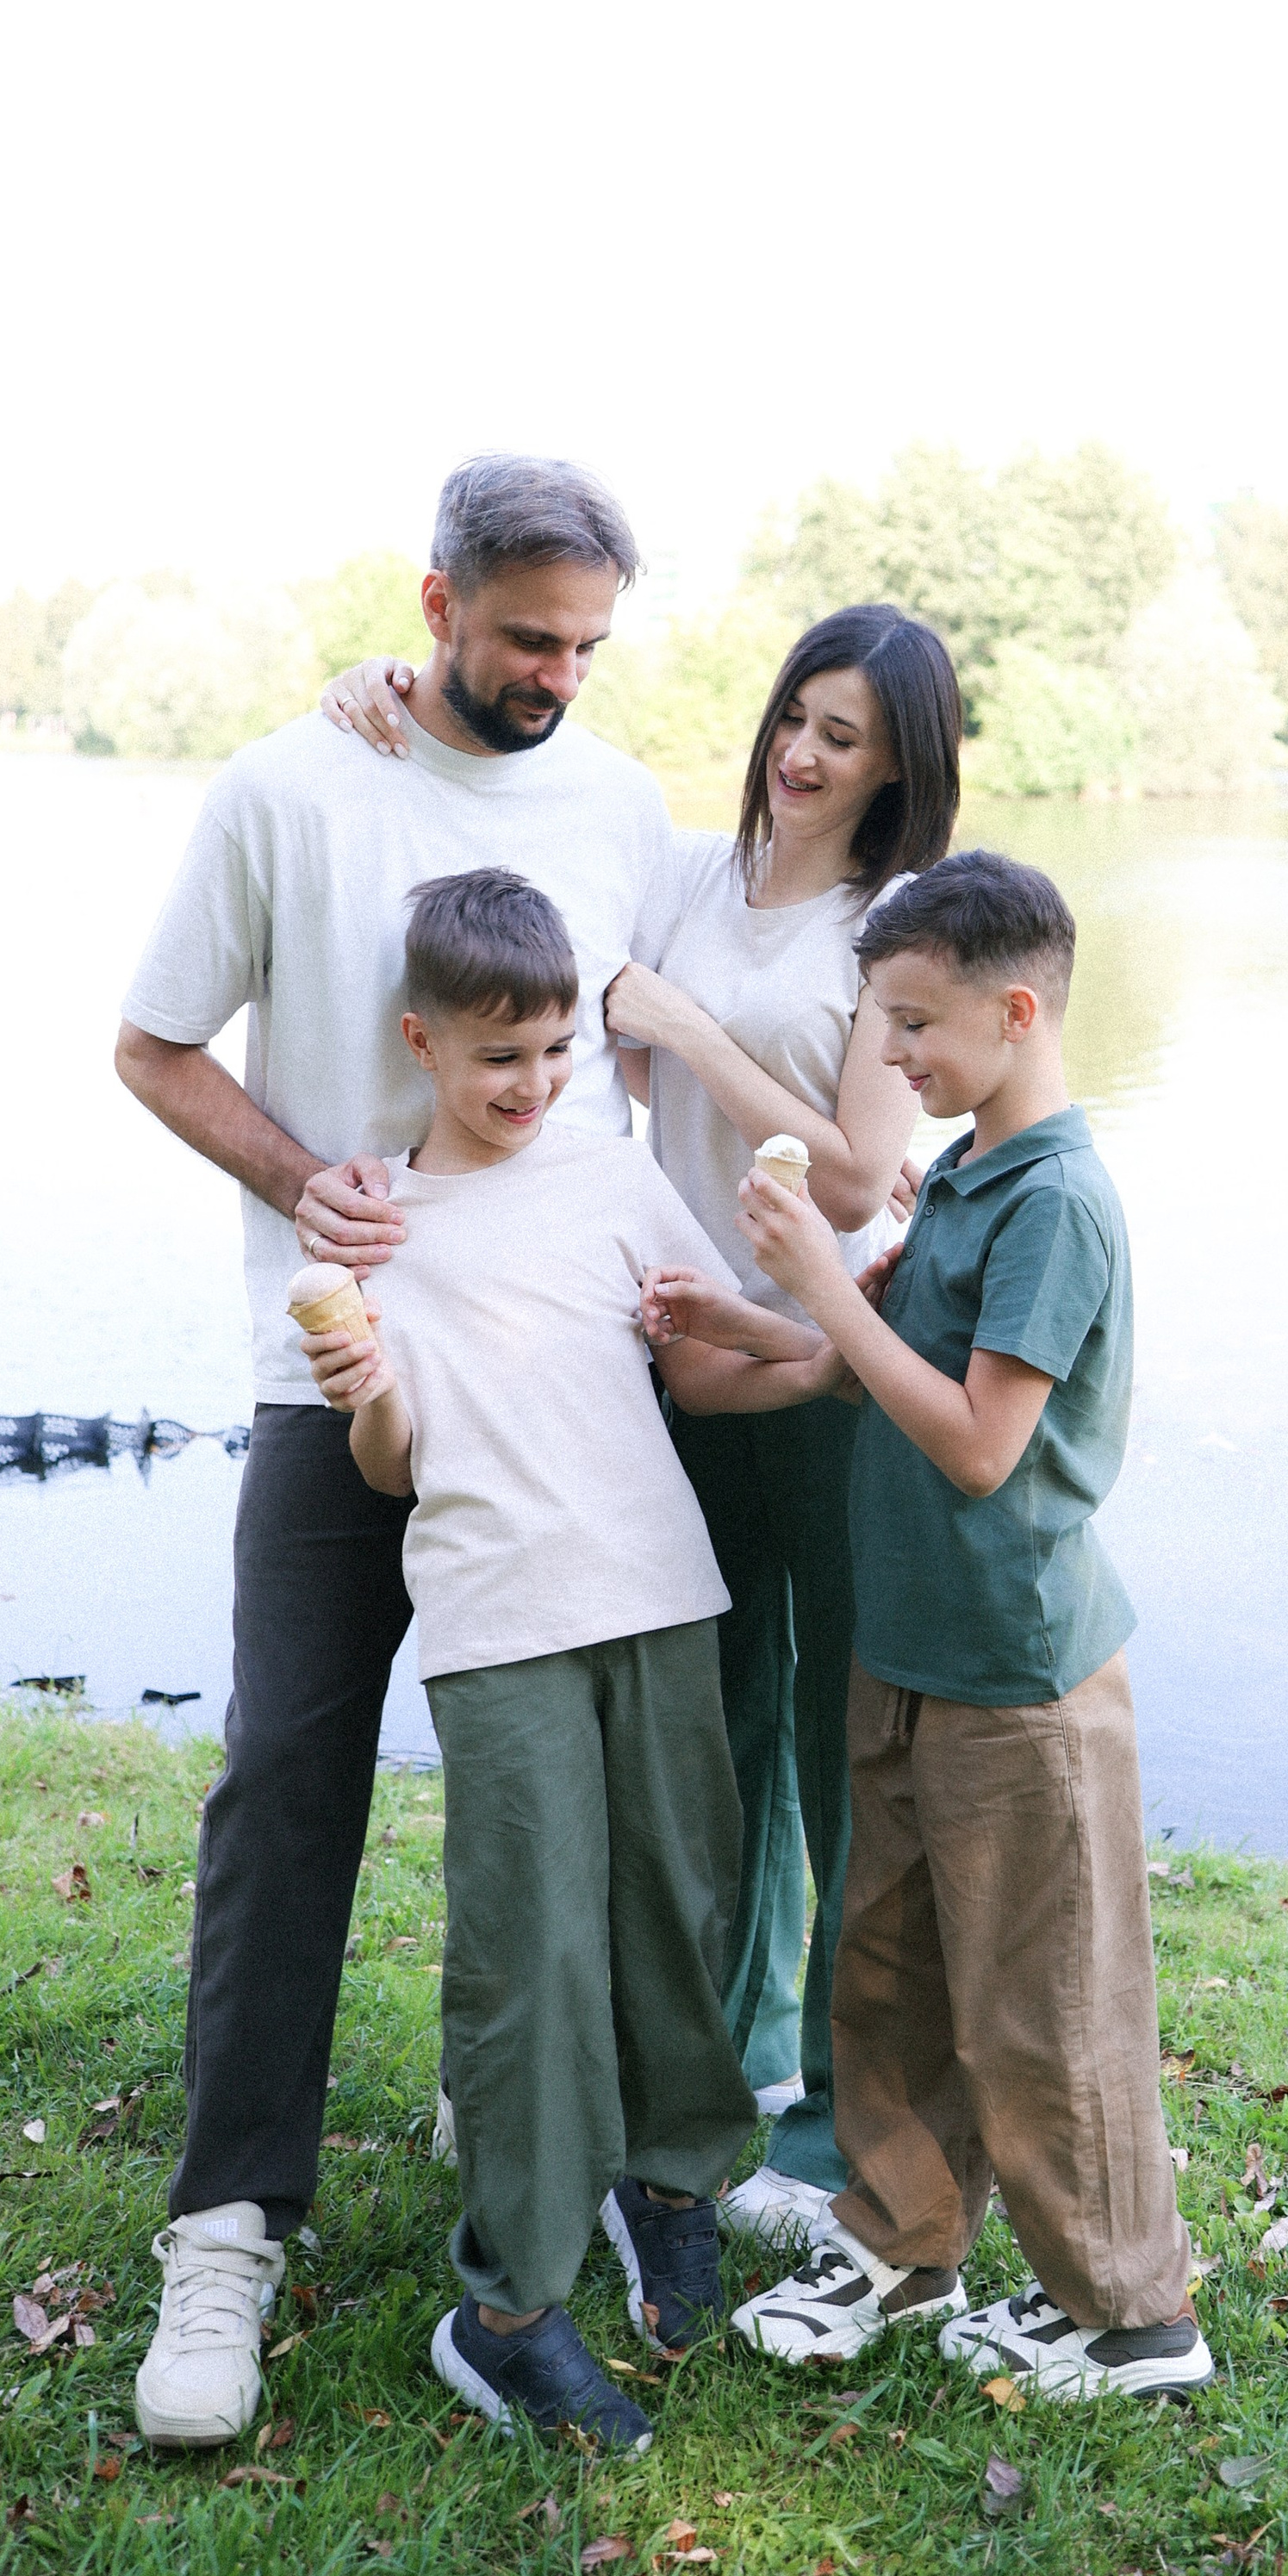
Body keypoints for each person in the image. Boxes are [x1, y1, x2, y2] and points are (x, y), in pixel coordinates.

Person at [116, 453, 675, 2450]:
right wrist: (306, 1182)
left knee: (561, 1791)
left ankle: (529, 2131)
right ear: (432, 604)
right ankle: (226, 2229)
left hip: (561, 1397)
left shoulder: (620, 807)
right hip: (335, 1378)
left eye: (586, 645)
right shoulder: (289, 785)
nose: (557, 677)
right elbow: (155, 1047)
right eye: (526, 637)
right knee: (287, 1777)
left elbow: (675, 1025)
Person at [318, 603, 961, 2244]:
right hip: (662, 1346)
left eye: (845, 740)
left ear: (898, 772)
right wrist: (388, 691)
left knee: (837, 1747)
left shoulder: (888, 930)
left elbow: (859, 1178)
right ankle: (707, 2076)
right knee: (713, 1746)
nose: (803, 755)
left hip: (819, 1346)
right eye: (796, 717)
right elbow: (508, 870)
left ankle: (829, 2128)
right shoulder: (684, 876)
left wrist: (686, 1031)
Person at [662, 849, 1212, 2402]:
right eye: (880, 1021)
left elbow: (978, 1444)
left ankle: (1129, 2316)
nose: (887, 1056)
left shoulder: (1058, 1205)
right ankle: (903, 2242)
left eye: (912, 1023)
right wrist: (741, 1315)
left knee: (1045, 2010)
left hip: (1016, 1674)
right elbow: (863, 1368)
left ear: (1017, 1012)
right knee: (888, 1974)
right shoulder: (966, 1175)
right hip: (903, 1648)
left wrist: (818, 1283)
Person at [297, 866, 839, 2445]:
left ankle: (667, 2183)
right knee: (530, 1958)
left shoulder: (611, 1175)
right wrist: (364, 1390)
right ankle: (510, 2308)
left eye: (552, 1053)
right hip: (501, 1624)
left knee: (681, 1910)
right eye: (496, 1058)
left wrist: (830, 1350)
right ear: (422, 1042)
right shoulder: (376, 1229)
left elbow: (702, 1357)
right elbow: (393, 1466)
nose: (530, 1085)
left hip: (660, 1594)